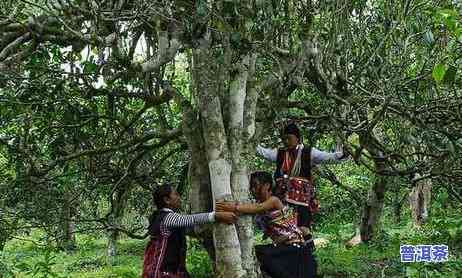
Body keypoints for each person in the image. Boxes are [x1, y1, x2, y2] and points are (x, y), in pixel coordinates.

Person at [216, 171, 317, 278]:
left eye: (255, 186)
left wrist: (234, 207)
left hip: (293, 245)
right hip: (283, 246)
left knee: (260, 254)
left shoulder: (274, 200)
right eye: (251, 187)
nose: (253, 190)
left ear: (267, 185)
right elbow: (250, 209)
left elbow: (257, 208)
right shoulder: (260, 205)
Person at [256, 122, 347, 237]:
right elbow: (263, 153)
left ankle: (307, 251)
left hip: (302, 201)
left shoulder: (308, 152)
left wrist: (343, 154)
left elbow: (327, 157)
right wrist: (250, 142)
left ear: (298, 138)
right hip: (283, 201)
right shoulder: (280, 153)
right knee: (283, 228)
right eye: (284, 139)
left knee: (303, 229)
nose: (286, 142)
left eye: (289, 138)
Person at [143, 184, 237, 278]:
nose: (179, 198)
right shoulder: (167, 217)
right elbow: (191, 219)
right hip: (163, 272)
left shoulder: (160, 217)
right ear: (167, 200)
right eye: (176, 194)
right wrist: (216, 215)